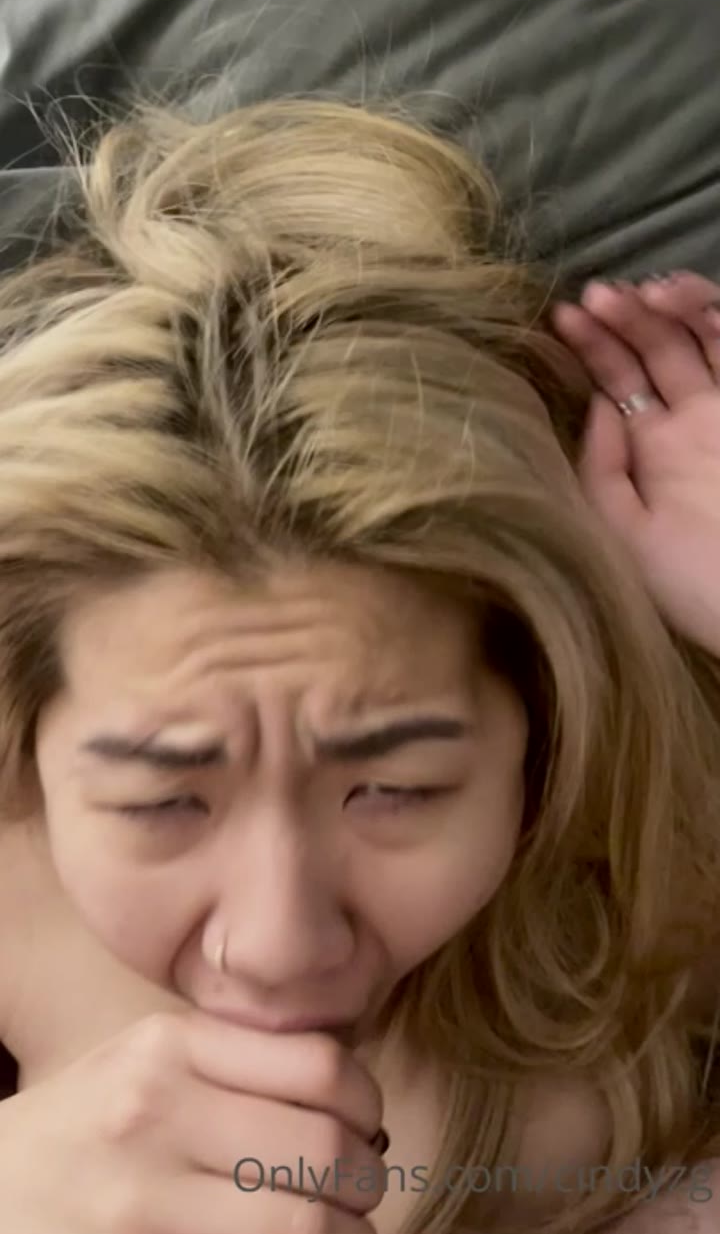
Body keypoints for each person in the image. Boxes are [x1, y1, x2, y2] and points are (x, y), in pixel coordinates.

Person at [0, 96, 719, 1234]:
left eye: (397, 789)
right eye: (162, 800)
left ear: (543, 725)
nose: (280, 948)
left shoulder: (657, 857)